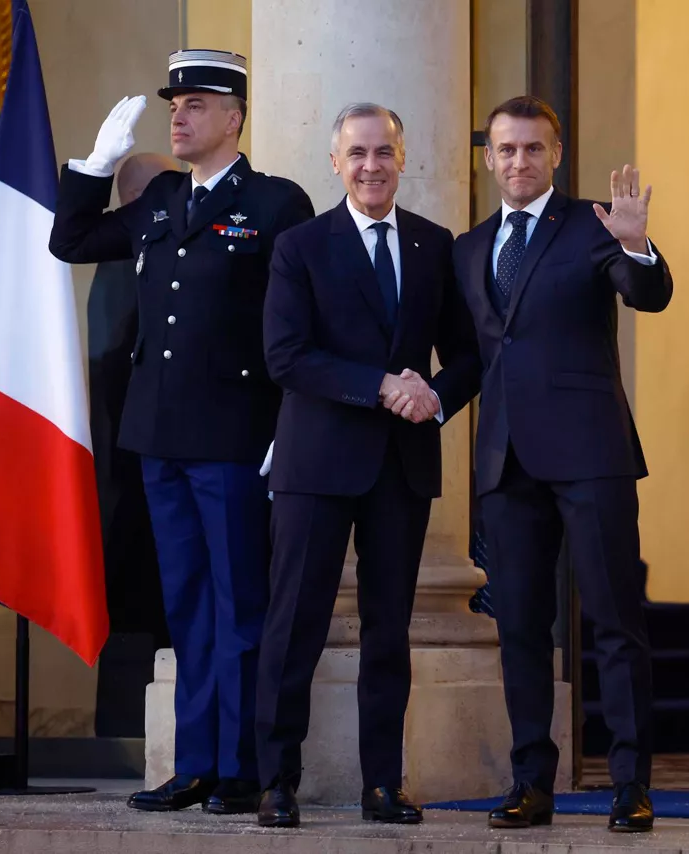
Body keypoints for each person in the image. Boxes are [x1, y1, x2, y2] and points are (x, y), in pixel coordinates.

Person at [48, 49, 314, 815]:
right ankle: (194, 763)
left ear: (234, 118)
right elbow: (72, 242)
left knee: (238, 606)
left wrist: (286, 422)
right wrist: (95, 167)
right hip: (158, 434)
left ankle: (242, 768)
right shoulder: (163, 199)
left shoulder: (275, 204)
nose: (179, 116)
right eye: (175, 105)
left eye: (196, 104)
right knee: (187, 607)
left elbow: (295, 321)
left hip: (233, 434)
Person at [254, 103, 481, 828]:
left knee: (390, 631)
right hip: (316, 463)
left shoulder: (433, 245)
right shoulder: (299, 246)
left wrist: (433, 397)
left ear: (402, 158)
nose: (371, 165)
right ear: (336, 163)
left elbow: (468, 356)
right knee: (295, 625)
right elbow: (286, 356)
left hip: (400, 466)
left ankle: (383, 784)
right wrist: (381, 385)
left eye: (384, 152)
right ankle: (276, 782)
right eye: (357, 153)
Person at [452, 95, 673, 834]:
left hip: (590, 454)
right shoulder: (469, 247)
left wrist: (639, 248)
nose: (519, 161)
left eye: (533, 148)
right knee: (519, 627)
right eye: (507, 149)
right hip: (505, 463)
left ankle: (631, 785)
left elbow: (647, 295)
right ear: (489, 158)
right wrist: (421, 396)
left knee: (614, 621)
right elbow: (477, 356)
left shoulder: (593, 225)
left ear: (557, 154)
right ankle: (530, 784)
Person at [87, 153, 178, 737]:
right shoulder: (129, 260)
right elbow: (116, 366)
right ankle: (133, 735)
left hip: (140, 472)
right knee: (142, 609)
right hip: (138, 470)